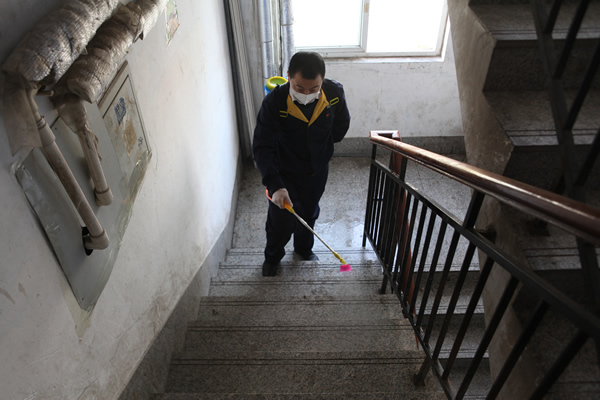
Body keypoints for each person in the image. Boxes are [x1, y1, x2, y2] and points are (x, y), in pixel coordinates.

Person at [252, 51, 351, 276]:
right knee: (280, 220)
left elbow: (341, 124)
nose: (306, 93)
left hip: (316, 171)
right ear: (288, 76)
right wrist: (275, 185)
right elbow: (262, 146)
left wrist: (322, 148)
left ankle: (304, 249)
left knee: (309, 211)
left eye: (314, 88)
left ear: (322, 80)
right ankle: (272, 257)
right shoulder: (275, 102)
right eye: (299, 87)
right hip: (284, 171)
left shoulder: (334, 94)